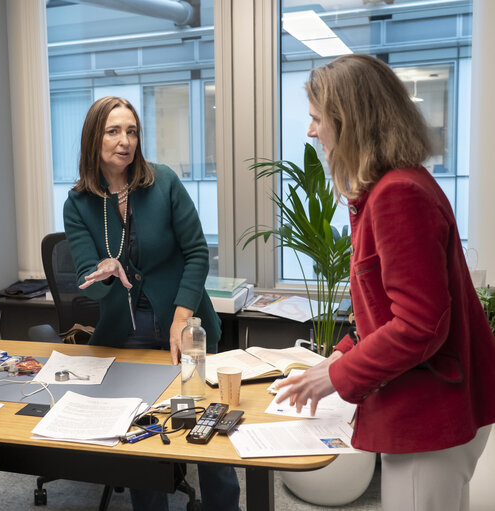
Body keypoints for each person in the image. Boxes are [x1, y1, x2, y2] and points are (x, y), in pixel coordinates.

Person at [276, 54, 495, 511]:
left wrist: (336, 377)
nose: (311, 132)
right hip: (434, 401)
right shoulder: (390, 187)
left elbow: (420, 325)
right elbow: (392, 309)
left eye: (317, 119)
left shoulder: (397, 194)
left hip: (432, 408)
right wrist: (339, 355)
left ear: (349, 121)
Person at [63, 96, 240, 511]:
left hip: (187, 328)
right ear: (94, 138)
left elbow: (197, 252)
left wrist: (181, 317)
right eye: (113, 131)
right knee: (140, 440)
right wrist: (102, 276)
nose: (125, 141)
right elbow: (89, 282)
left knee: (207, 430)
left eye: (132, 131)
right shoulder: (78, 203)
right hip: (126, 337)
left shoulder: (163, 182)